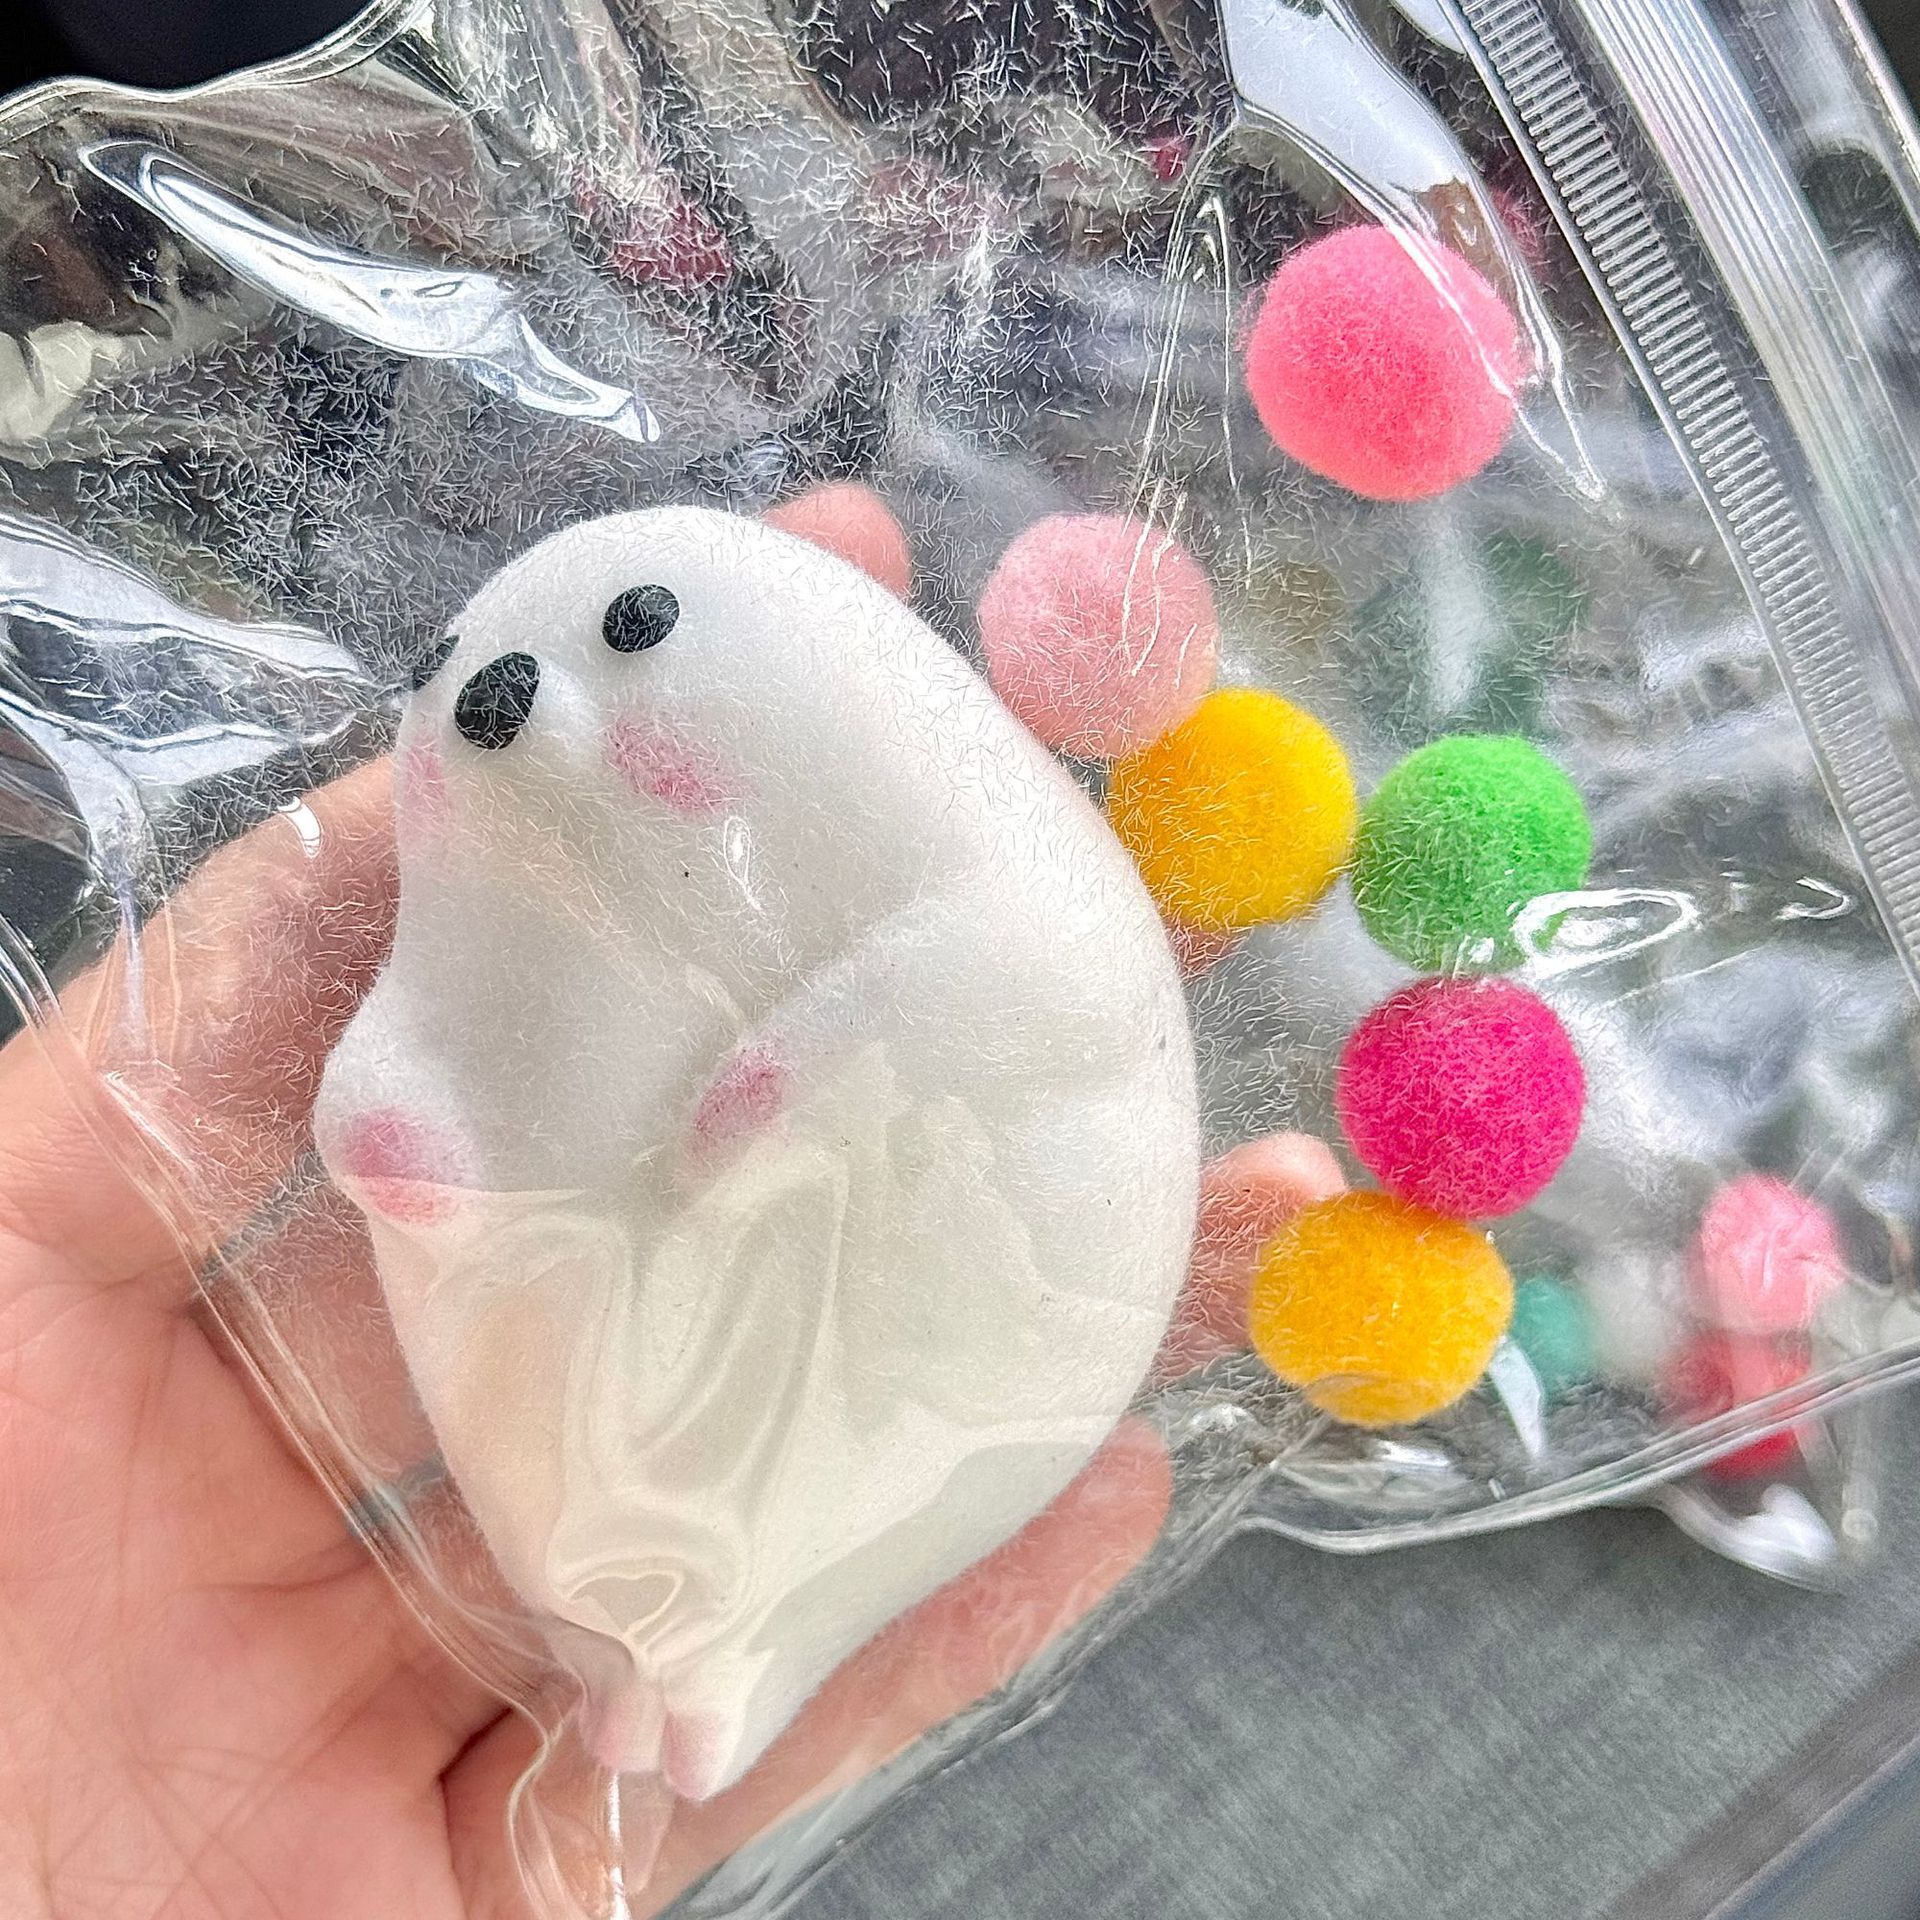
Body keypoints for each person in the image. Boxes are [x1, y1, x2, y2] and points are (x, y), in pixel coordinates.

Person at [0, 762, 1171, 1917]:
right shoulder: (520, 876)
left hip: (794, 1377)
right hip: (573, 1346)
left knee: (688, 1549)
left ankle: (705, 1677)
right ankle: (688, 1677)